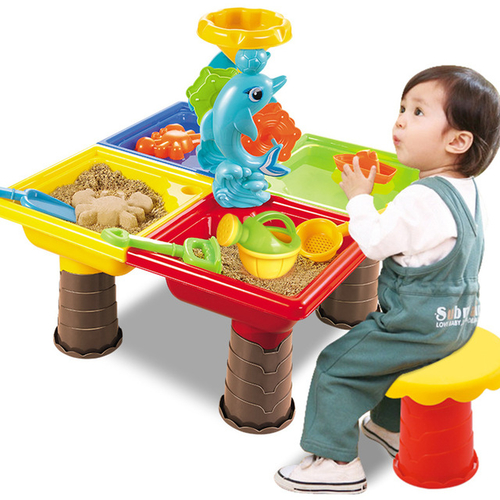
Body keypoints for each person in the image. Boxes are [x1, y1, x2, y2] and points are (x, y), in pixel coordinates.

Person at [274, 66, 500, 494]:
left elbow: (375, 244)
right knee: (388, 361)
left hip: (413, 325)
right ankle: (389, 426)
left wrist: (359, 198)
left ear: (457, 142)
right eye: (402, 108)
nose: (399, 121)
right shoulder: (466, 191)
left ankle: (337, 461)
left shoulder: (420, 197)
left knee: (337, 366)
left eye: (418, 112)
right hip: (455, 321)